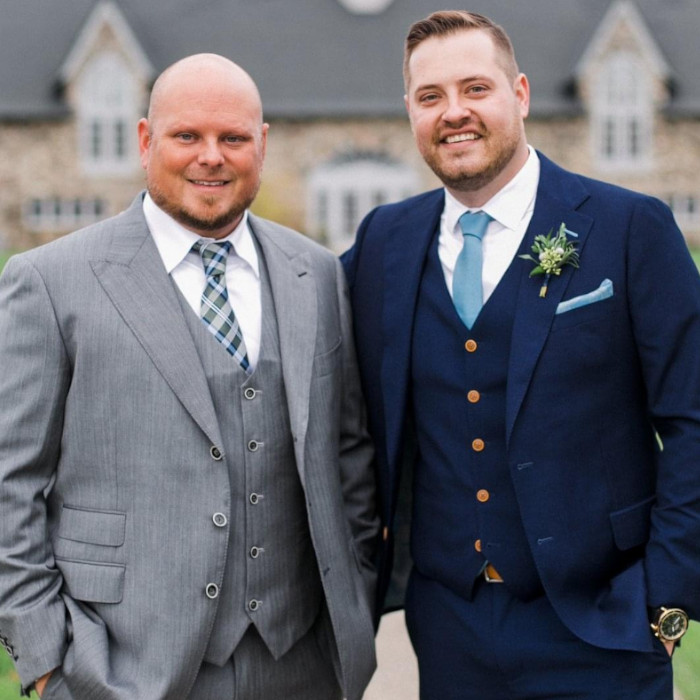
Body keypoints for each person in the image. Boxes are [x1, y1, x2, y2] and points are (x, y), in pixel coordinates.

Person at [342, 10, 700, 700]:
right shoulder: (385, 242)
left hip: (606, 624)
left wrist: (669, 593)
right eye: (431, 97)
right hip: (449, 628)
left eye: (476, 89)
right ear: (410, 112)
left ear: (521, 94)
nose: (454, 113)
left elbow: (693, 416)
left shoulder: (630, 228)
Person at [0, 53, 377, 700]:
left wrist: (358, 591)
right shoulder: (49, 282)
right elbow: (11, 484)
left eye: (233, 138)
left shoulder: (317, 274)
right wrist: (44, 659)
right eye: (187, 136)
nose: (212, 156)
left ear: (262, 144)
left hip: (303, 663)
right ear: (147, 141)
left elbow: (348, 455)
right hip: (122, 667)